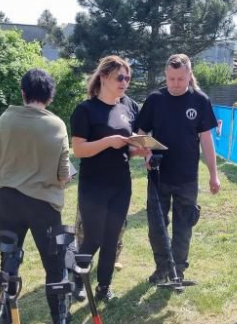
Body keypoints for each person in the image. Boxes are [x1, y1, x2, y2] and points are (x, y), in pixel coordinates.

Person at [0, 68, 93, 324]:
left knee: (9, 261)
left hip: (6, 201)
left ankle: (5, 322)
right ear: (50, 96)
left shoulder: (4, 120)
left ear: (23, 92)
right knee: (55, 267)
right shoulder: (56, 125)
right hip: (43, 205)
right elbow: (64, 174)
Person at [136, 54, 220, 283]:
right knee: (157, 225)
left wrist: (214, 175)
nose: (175, 83)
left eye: (180, 79)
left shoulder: (200, 101)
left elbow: (206, 140)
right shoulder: (155, 100)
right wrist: (147, 150)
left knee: (184, 226)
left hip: (187, 178)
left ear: (189, 76)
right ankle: (162, 268)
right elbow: (141, 132)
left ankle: (178, 270)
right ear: (166, 75)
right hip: (158, 175)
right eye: (171, 78)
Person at [70, 55, 140, 302]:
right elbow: (79, 150)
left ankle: (104, 286)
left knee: (112, 237)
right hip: (93, 185)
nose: (125, 82)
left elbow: (128, 147)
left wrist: (139, 149)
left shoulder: (129, 107)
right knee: (93, 238)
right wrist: (108, 142)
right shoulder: (85, 110)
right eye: (120, 77)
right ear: (103, 77)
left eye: (128, 78)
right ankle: (78, 281)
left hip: (121, 183)